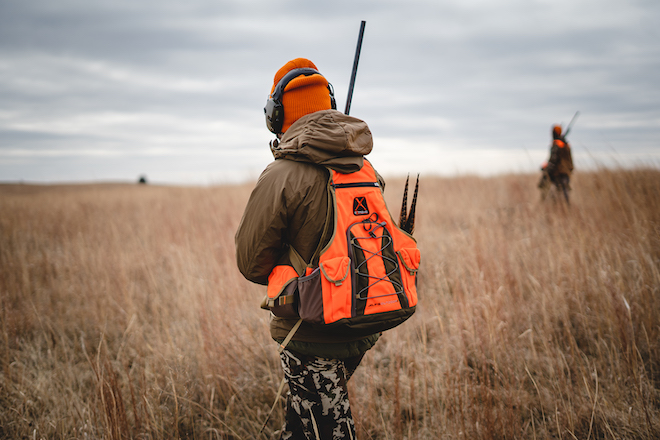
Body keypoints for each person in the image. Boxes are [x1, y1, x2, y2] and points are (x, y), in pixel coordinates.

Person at [235, 58, 382, 439]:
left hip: (309, 331)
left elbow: (250, 263)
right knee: (301, 427)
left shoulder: (281, 175)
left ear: (275, 115)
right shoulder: (366, 169)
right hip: (365, 320)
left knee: (329, 431)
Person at [541, 124, 574, 202]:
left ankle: (559, 208)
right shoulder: (565, 144)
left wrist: (547, 170)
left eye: (552, 132)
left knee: (555, 194)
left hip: (558, 173)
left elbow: (553, 160)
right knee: (564, 193)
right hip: (566, 172)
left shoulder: (557, 144)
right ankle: (565, 208)